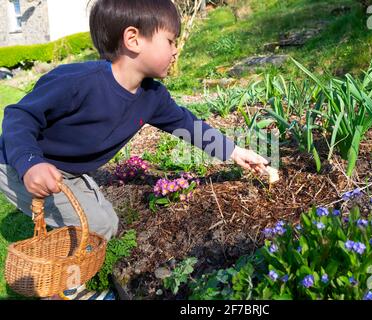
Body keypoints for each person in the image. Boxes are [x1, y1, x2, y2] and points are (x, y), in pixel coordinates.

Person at [0, 0, 268, 299]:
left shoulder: (151, 96)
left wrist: (234, 152)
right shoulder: (77, 82)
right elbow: (19, 115)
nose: (176, 49)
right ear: (133, 39)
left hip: (69, 171)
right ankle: (62, 291)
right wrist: (29, 162)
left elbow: (188, 125)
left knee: (108, 224)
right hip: (18, 163)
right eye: (170, 40)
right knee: (92, 225)